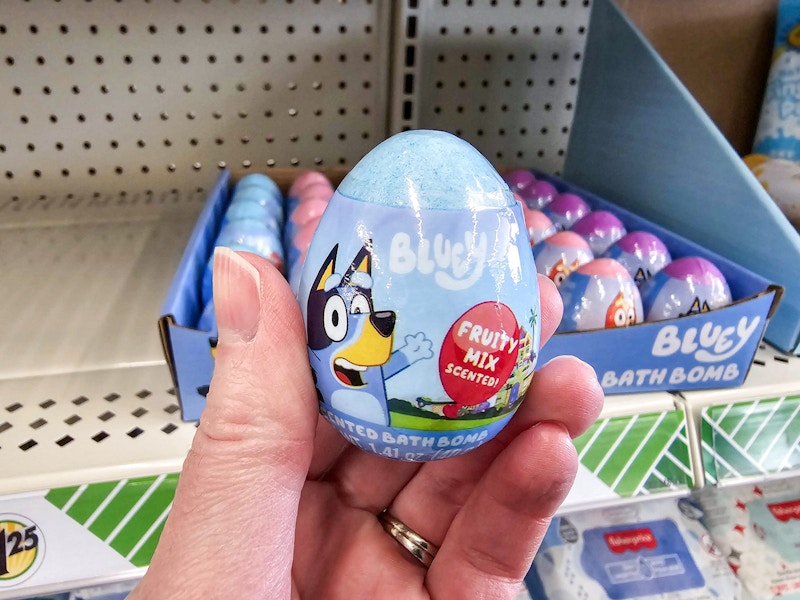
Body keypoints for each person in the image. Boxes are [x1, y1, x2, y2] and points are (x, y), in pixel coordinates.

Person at [129, 248, 604, 599]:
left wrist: (412, 359)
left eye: (367, 314)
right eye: (348, 314)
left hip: (375, 440)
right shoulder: (333, 356)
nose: (374, 326)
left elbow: (381, 368)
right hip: (350, 439)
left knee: (546, 445)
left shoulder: (372, 360)